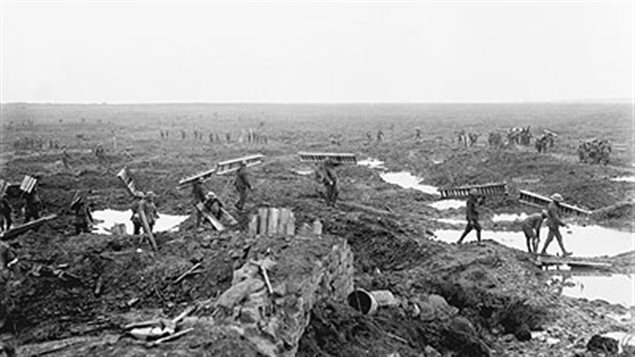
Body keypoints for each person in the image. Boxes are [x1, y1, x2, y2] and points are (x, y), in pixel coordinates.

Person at [0, 241, 17, 332]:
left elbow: (13, 262)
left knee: (1, 301)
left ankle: (2, 323)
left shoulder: (3, 247)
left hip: (0, 278)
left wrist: (17, 277)